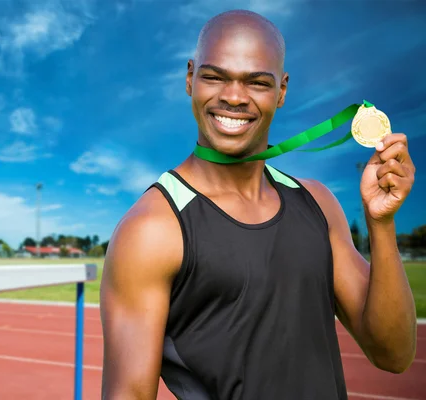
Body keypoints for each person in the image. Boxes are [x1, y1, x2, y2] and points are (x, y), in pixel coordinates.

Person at [99, 9, 417, 400]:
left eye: (256, 82)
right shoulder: (151, 229)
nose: (233, 97)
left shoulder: (317, 203)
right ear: (189, 78)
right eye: (215, 76)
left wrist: (381, 223)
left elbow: (394, 354)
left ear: (282, 91)